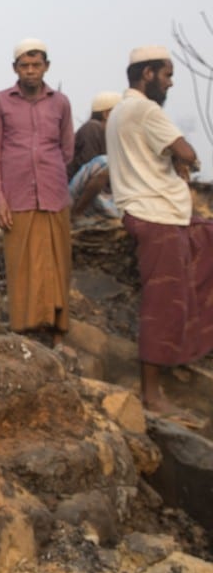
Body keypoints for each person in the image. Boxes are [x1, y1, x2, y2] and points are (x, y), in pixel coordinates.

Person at [106, 45, 213, 426]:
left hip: (156, 214)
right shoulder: (145, 110)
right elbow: (188, 152)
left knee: (198, 260)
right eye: (166, 75)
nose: (169, 83)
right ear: (147, 73)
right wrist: (186, 160)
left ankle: (185, 352)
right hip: (158, 216)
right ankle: (152, 396)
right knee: (162, 303)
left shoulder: (120, 110)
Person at [0, 39, 73, 344]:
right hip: (17, 195)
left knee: (56, 263)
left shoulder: (60, 103)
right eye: (25, 65)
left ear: (46, 66)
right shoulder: (0, 102)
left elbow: (67, 150)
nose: (31, 71)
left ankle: (56, 330)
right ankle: (25, 331)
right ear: (15, 69)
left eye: (36, 65)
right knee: (21, 263)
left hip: (54, 194)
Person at [68, 91, 122, 220]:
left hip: (100, 191)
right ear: (107, 114)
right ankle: (77, 213)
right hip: (75, 192)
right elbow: (91, 170)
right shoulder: (92, 128)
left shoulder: (112, 136)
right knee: (105, 163)